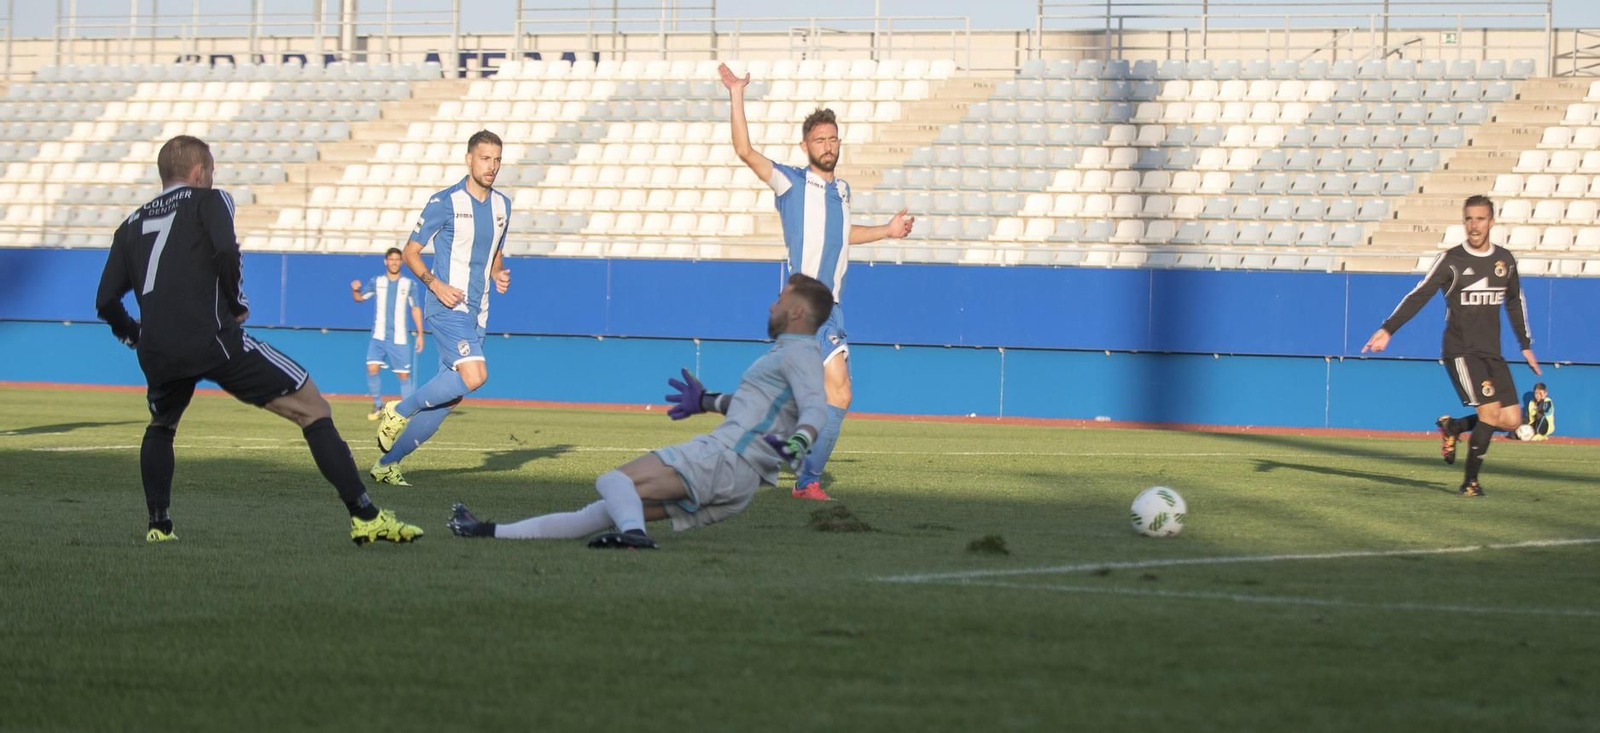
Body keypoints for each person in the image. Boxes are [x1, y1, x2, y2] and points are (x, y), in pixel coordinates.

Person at [93, 135, 423, 544]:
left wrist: (135, 335)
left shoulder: (129, 226)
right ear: (199, 172)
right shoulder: (211, 200)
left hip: (158, 350)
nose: (213, 178)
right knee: (313, 408)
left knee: (162, 425)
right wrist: (233, 301)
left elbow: (105, 300)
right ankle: (366, 516)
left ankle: (159, 527)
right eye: (211, 171)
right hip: (213, 338)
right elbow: (226, 250)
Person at [447, 274, 834, 549]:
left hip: (727, 459)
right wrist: (706, 401)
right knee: (602, 512)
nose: (772, 304)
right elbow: (755, 407)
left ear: (797, 312)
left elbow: (816, 406)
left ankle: (633, 537)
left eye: (781, 298)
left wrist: (801, 440)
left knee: (614, 482)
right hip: (737, 477)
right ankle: (485, 531)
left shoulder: (800, 352)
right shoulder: (790, 353)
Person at [719, 62, 914, 502]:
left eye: (832, 138)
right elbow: (745, 150)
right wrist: (736, 94)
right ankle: (805, 481)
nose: (826, 145)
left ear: (838, 142)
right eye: (818, 139)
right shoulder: (790, 182)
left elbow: (843, 234)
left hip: (832, 304)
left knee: (816, 397)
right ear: (804, 145)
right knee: (839, 391)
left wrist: (886, 230)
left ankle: (761, 452)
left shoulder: (842, 190)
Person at [1362, 195, 1541, 497]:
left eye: (1480, 219)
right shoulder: (1452, 261)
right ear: (1464, 221)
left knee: (1511, 419)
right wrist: (1388, 328)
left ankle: (1454, 427)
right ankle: (1469, 483)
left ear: (1492, 222)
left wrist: (1524, 344)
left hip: (1491, 352)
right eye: (1469, 219)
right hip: (1461, 351)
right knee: (1489, 414)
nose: (1474, 225)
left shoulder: (1505, 261)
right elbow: (1419, 294)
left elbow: (1513, 300)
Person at [371, 130, 512, 486]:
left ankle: (387, 464)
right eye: (485, 158)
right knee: (475, 375)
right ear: (469, 159)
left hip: (479, 311)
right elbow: (410, 252)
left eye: (497, 159)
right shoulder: (444, 202)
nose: (492, 166)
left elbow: (495, 250)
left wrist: (498, 274)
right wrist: (435, 284)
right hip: (446, 306)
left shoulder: (503, 206)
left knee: (449, 398)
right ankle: (398, 408)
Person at [350, 247, 424, 419]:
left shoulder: (409, 284)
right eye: (391, 259)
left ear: (401, 262)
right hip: (378, 337)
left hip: (399, 338)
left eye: (397, 259)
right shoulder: (377, 281)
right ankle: (377, 406)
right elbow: (360, 298)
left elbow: (415, 308)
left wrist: (420, 333)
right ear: (386, 261)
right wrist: (354, 290)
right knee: (372, 369)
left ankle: (407, 411)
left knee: (403, 375)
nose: (394, 262)